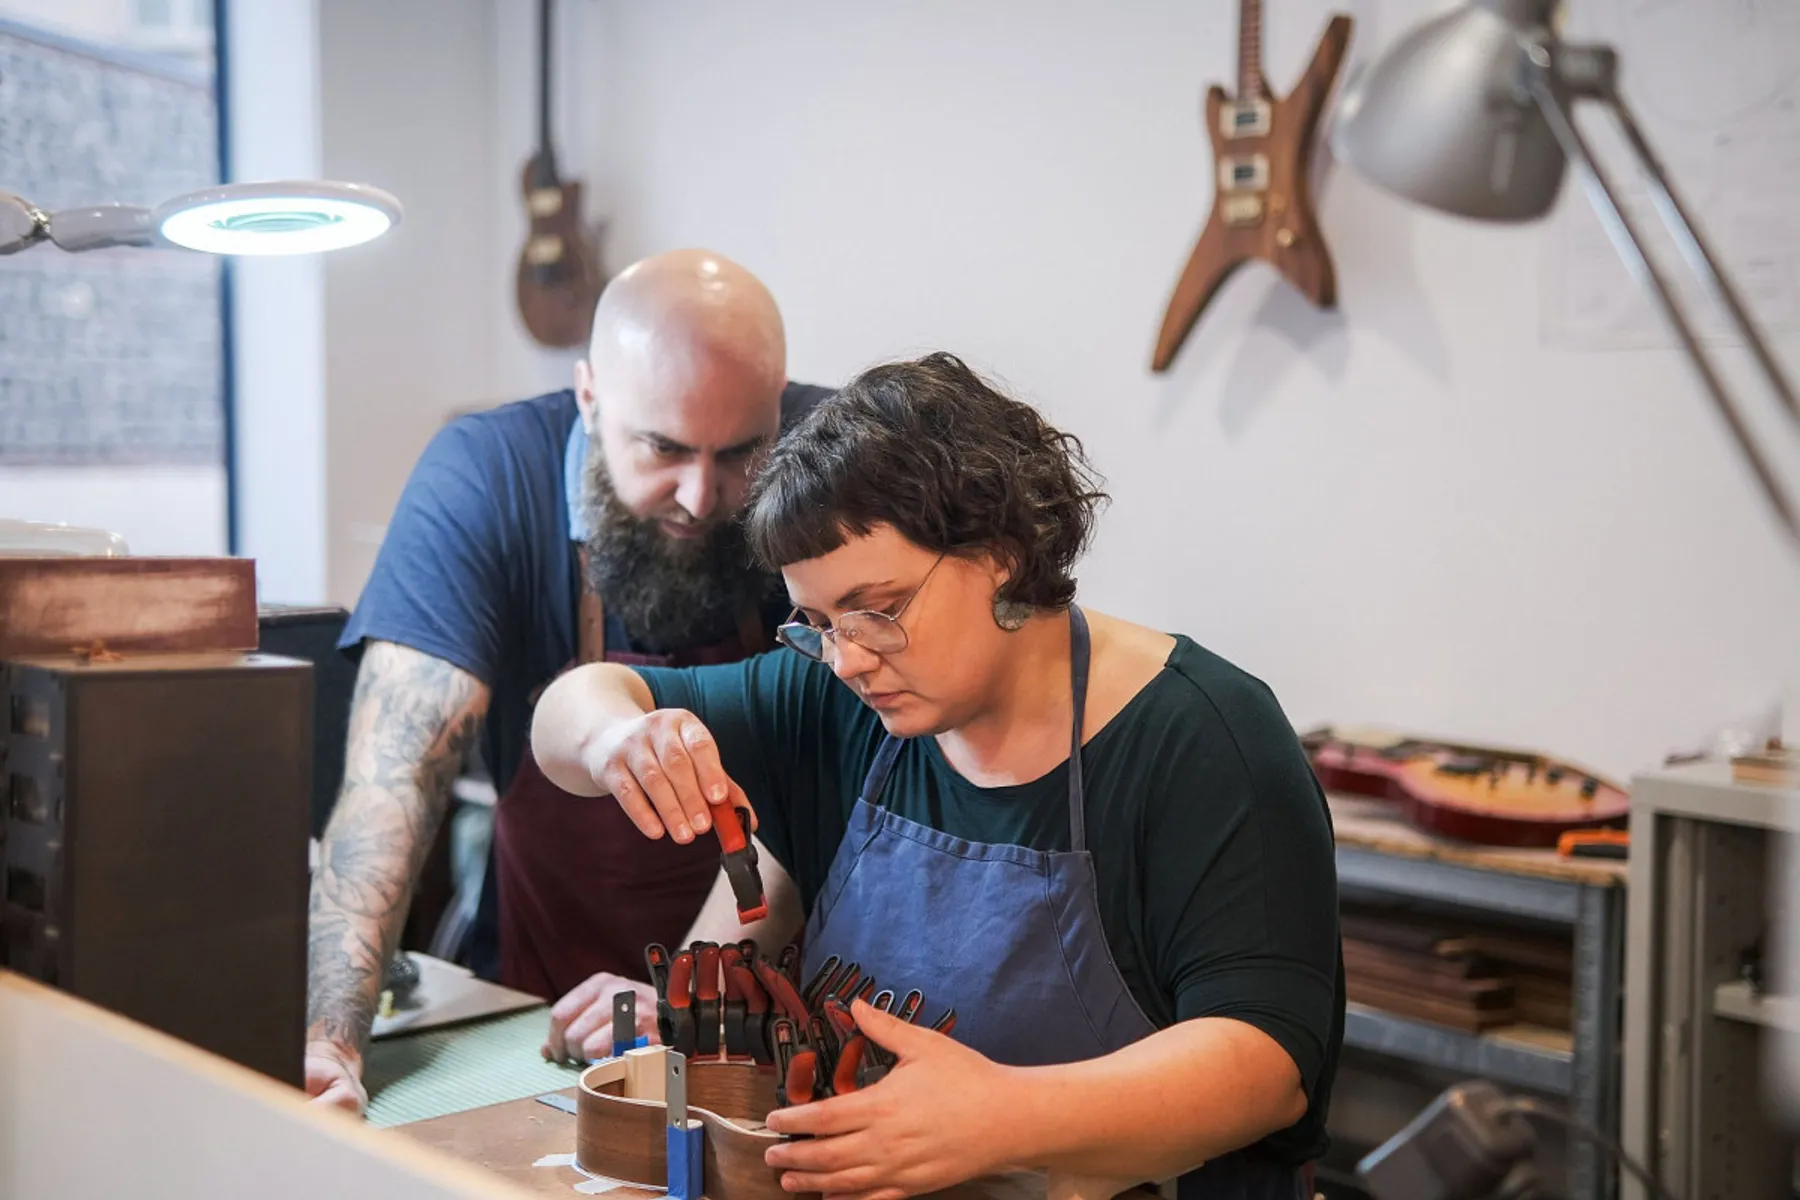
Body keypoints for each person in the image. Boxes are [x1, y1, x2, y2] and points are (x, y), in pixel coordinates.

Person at [531, 352, 1345, 1199]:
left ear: (999, 551)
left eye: (877, 611)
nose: (845, 658)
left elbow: (1264, 1066)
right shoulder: (836, 698)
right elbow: (573, 710)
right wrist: (618, 739)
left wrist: (1006, 1118)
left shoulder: (1204, 740)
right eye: (814, 621)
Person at [304, 249, 824, 1113]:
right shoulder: (485, 476)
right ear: (590, 395)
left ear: (781, 408)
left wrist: (686, 1004)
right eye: (663, 448)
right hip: (545, 1022)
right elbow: (391, 784)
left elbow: (837, 790)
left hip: (772, 1037)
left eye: (741, 452)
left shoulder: (831, 473)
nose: (701, 496)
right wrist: (329, 1042)